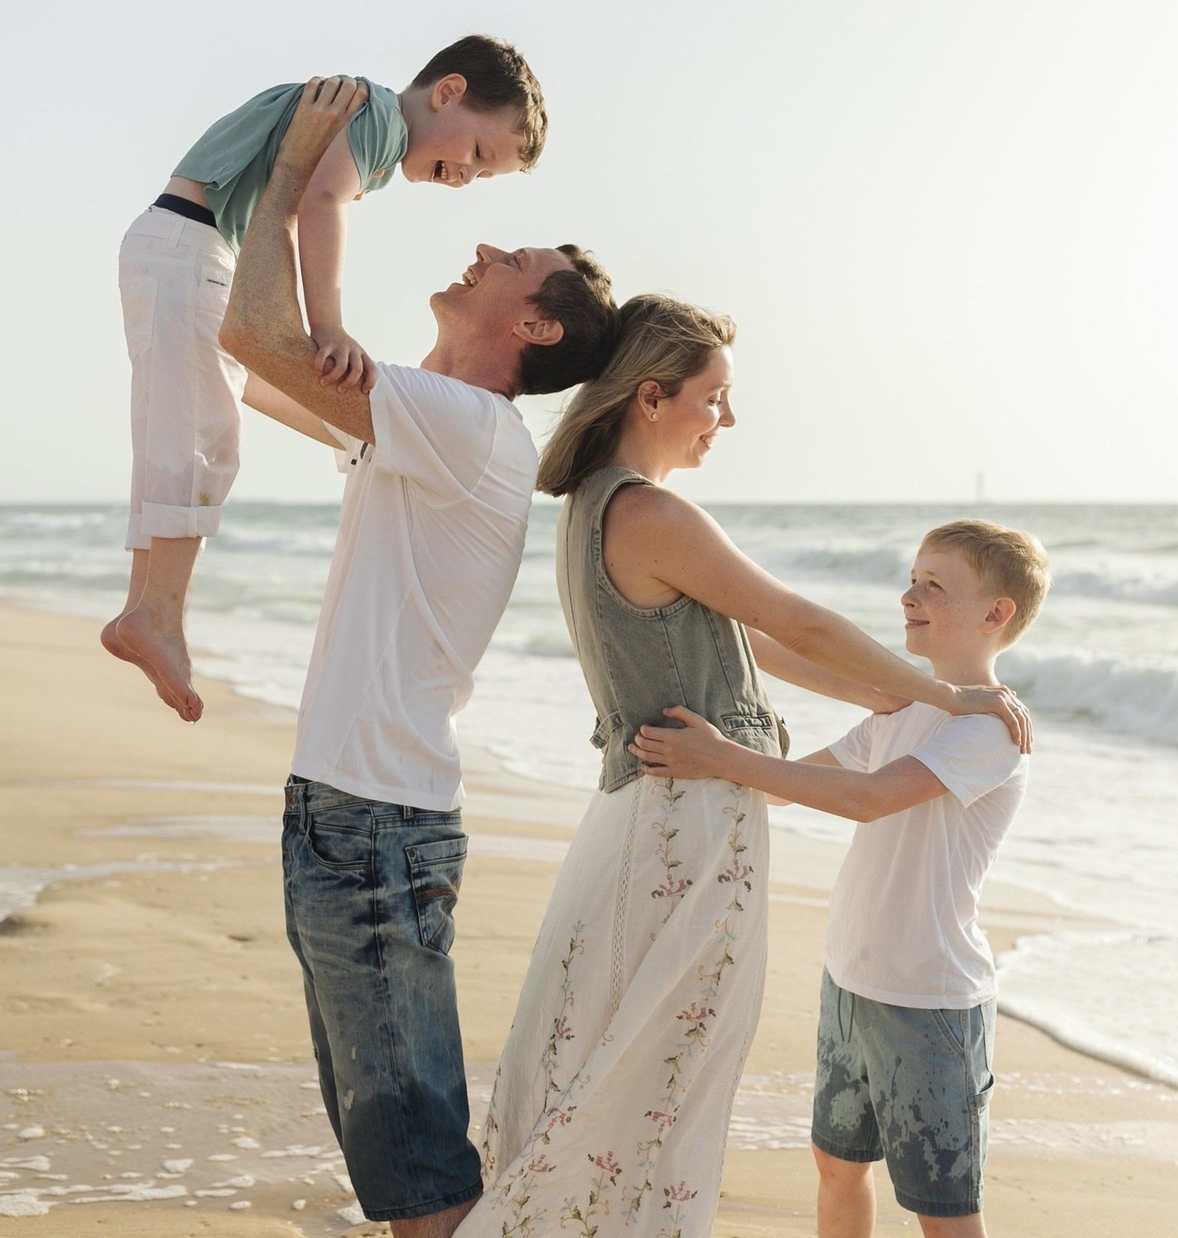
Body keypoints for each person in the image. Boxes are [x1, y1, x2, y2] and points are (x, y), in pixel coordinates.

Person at [455, 297, 1032, 1238]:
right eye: (716, 397)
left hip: (649, 810)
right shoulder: (650, 511)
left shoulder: (596, 505)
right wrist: (948, 697)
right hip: (687, 824)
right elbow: (792, 622)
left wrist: (906, 697)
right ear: (652, 397)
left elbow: (756, 648)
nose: (728, 420)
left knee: (609, 1044)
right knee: (661, 1061)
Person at [217, 78, 618, 1238]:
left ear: (533, 327)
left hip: (373, 820)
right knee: (390, 1150)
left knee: (419, 1168)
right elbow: (255, 371)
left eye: (513, 257)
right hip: (345, 811)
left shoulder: (472, 428)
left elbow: (257, 337)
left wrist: (296, 173)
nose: (483, 241)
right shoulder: (428, 415)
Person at [102, 35, 549, 724]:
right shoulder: (374, 115)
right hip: (193, 246)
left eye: (483, 178)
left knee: (180, 423)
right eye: (480, 155)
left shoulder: (368, 119)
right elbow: (319, 203)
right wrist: (329, 326)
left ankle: (145, 609)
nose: (466, 180)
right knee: (201, 436)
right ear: (448, 92)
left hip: (178, 241)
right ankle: (158, 614)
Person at [630, 519, 1051, 1238]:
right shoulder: (902, 707)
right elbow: (793, 783)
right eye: (913, 578)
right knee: (835, 1166)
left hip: (930, 1001)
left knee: (944, 1213)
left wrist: (721, 757)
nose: (908, 595)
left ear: (997, 613)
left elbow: (865, 798)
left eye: (933, 586)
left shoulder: (988, 729)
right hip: (851, 983)